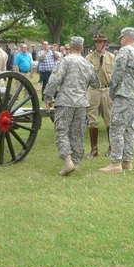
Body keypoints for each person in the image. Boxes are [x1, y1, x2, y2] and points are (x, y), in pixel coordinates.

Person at [43, 36, 100, 176]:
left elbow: (54, 80)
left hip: (65, 102)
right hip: (81, 103)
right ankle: (76, 163)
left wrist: (48, 98)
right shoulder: (87, 64)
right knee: (77, 133)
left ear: (70, 48)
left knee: (62, 131)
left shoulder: (65, 61)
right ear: (81, 48)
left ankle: (68, 161)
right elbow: (96, 84)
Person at [100, 27, 134, 174]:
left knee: (116, 128)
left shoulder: (125, 51)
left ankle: (116, 163)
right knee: (129, 129)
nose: (120, 41)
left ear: (124, 38)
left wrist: (112, 93)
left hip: (124, 94)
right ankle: (127, 162)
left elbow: (117, 73)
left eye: (121, 38)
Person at [85, 30, 115, 158]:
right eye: (96, 41)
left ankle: (111, 147)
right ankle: (94, 149)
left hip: (107, 90)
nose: (98, 44)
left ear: (105, 43)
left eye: (100, 41)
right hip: (93, 90)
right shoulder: (89, 58)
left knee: (109, 120)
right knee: (92, 120)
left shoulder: (112, 57)